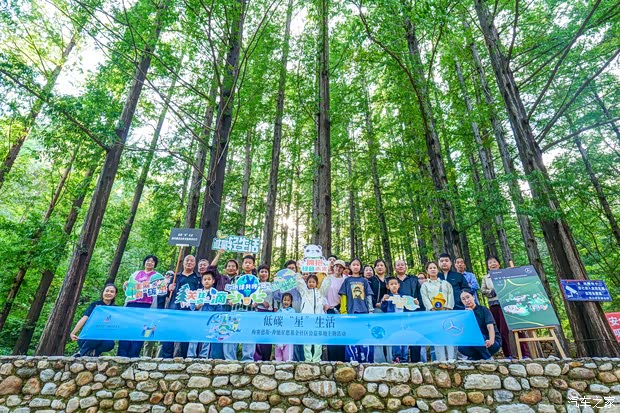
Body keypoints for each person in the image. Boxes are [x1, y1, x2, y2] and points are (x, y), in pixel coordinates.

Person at [481, 256, 530, 359]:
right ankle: (508, 354)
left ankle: (525, 353)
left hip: (510, 303)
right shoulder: (486, 278)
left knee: (518, 327)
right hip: (495, 305)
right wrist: (492, 292)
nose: (492, 264)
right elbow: (483, 291)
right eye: (490, 263)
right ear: (488, 266)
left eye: (494, 262)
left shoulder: (506, 274)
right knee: (502, 330)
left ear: (499, 264)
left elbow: (515, 284)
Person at [118, 255, 163, 358]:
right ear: (144, 262)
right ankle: (121, 354)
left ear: (155, 264)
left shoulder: (157, 276)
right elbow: (128, 289)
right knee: (127, 327)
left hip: (147, 306)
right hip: (132, 304)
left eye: (152, 261)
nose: (149, 263)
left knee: (141, 329)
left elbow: (161, 292)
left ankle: (134, 355)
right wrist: (125, 285)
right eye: (148, 260)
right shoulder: (136, 273)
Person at [161, 255, 200, 358]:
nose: (189, 262)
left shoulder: (198, 278)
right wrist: (169, 288)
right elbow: (165, 293)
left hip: (189, 310)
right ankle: (166, 357)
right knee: (169, 332)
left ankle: (184, 358)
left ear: (195, 264)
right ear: (183, 262)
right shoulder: (176, 277)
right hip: (174, 308)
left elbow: (200, 294)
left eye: (192, 261)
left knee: (186, 334)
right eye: (187, 260)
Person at [339, 258, 374, 362]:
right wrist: (343, 311)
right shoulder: (347, 280)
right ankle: (352, 359)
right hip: (351, 312)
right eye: (353, 264)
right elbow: (343, 296)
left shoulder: (364, 281)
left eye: (358, 265)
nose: (355, 266)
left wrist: (371, 310)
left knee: (364, 337)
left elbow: (368, 296)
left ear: (360, 267)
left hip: (364, 312)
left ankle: (365, 360)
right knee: (351, 337)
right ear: (350, 267)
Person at [224, 255, 258, 362]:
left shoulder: (256, 280)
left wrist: (256, 301)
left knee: (249, 334)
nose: (247, 265)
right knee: (231, 333)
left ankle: (247, 359)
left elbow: (259, 295)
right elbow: (229, 294)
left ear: (253, 265)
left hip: (250, 311)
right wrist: (230, 299)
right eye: (245, 262)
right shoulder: (236, 279)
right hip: (236, 309)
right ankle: (230, 359)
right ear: (242, 265)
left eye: (250, 263)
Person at [421, 261, 455, 361]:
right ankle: (441, 359)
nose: (433, 269)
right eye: (430, 268)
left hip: (446, 313)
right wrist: (431, 309)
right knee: (437, 336)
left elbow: (450, 296)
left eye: (434, 267)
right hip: (433, 315)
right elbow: (425, 298)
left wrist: (448, 308)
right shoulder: (425, 285)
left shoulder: (446, 283)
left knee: (448, 335)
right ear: (427, 271)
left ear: (438, 269)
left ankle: (451, 359)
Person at [70, 284, 118, 357]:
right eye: (107, 291)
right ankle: (80, 353)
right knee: (98, 334)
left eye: (112, 292)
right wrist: (73, 333)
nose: (109, 293)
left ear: (115, 294)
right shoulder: (95, 305)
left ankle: (93, 352)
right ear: (103, 292)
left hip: (104, 340)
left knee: (110, 344)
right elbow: (84, 318)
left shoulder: (115, 309)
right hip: (87, 338)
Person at [187, 271, 225, 358]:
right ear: (201, 281)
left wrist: (217, 318)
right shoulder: (197, 292)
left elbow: (219, 307)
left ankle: (203, 356)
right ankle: (190, 355)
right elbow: (191, 306)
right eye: (204, 279)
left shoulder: (216, 294)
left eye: (209, 279)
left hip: (210, 319)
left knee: (207, 337)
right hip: (198, 318)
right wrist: (196, 307)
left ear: (213, 281)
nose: (207, 281)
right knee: (194, 336)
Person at [393, 259, 425, 362]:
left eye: (402, 264)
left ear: (406, 266)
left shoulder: (413, 279)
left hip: (413, 313)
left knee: (414, 338)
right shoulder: (392, 281)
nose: (400, 266)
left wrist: (419, 305)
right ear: (394, 268)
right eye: (398, 265)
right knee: (401, 338)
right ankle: (401, 361)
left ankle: (416, 361)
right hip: (399, 314)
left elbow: (420, 295)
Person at [381, 277, 418, 363]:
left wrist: (415, 303)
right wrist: (384, 301)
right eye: (391, 284)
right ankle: (396, 357)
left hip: (404, 321)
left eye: (395, 284)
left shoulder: (404, 297)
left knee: (404, 338)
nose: (394, 286)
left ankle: (405, 358)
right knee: (395, 338)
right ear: (387, 286)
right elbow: (384, 309)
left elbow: (411, 307)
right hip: (393, 322)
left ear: (399, 285)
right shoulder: (388, 297)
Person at [273, 259, 304, 362]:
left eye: (293, 268)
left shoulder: (299, 280)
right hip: (283, 311)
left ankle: (298, 358)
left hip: (297, 308)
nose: (291, 270)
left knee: (298, 334)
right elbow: (276, 296)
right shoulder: (281, 281)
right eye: (289, 268)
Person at [458, 289, 501, 360]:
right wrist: (469, 316)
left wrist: (491, 340)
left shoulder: (484, 309)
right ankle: (478, 357)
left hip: (490, 341)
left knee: (476, 337)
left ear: (473, 297)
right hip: (475, 341)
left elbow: (490, 326)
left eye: (468, 297)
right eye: (463, 299)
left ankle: (488, 358)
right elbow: (467, 332)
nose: (466, 300)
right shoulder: (465, 314)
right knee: (461, 347)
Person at [297, 273, 331, 362]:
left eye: (313, 282)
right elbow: (299, 283)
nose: (311, 283)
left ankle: (316, 359)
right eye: (309, 282)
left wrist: (328, 275)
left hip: (318, 319)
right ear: (307, 283)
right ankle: (308, 358)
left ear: (316, 283)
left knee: (318, 340)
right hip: (307, 319)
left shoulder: (320, 293)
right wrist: (299, 273)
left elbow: (326, 285)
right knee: (307, 340)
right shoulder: (304, 292)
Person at [325, 259, 346, 362]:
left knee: (341, 334)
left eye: (341, 267)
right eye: (336, 266)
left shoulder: (345, 280)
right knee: (331, 335)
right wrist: (325, 304)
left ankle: (341, 360)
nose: (338, 268)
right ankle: (331, 361)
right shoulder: (328, 278)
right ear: (333, 267)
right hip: (329, 309)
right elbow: (323, 293)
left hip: (341, 309)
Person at [370, 259, 390, 363]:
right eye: (377, 265)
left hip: (389, 310)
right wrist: (376, 303)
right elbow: (369, 295)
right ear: (375, 268)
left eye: (382, 265)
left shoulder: (389, 280)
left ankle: (390, 358)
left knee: (389, 334)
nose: (380, 267)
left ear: (385, 268)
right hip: (377, 309)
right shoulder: (371, 280)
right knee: (378, 333)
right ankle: (379, 359)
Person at [254, 264, 274, 361]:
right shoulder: (255, 284)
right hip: (258, 310)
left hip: (269, 312)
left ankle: (266, 358)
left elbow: (276, 297)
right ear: (258, 273)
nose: (264, 273)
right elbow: (251, 296)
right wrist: (262, 301)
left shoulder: (271, 285)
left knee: (267, 334)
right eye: (262, 271)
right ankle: (257, 358)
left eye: (266, 272)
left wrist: (275, 308)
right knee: (258, 333)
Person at [275, 293, 296, 361]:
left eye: (288, 300)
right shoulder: (279, 311)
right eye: (284, 300)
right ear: (282, 301)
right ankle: (278, 363)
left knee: (287, 355)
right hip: (279, 335)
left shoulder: (292, 311)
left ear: (291, 302)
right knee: (278, 353)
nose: (286, 302)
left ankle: (288, 363)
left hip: (288, 335)